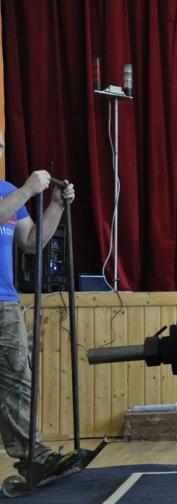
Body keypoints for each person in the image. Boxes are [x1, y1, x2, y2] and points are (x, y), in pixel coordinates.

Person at [0, 168, 82, 480]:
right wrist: (27, 190)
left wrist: (56, 205)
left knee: (18, 379)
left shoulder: (6, 189)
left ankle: (34, 458)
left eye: (0, 146)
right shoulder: (16, 192)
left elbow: (32, 241)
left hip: (6, 301)